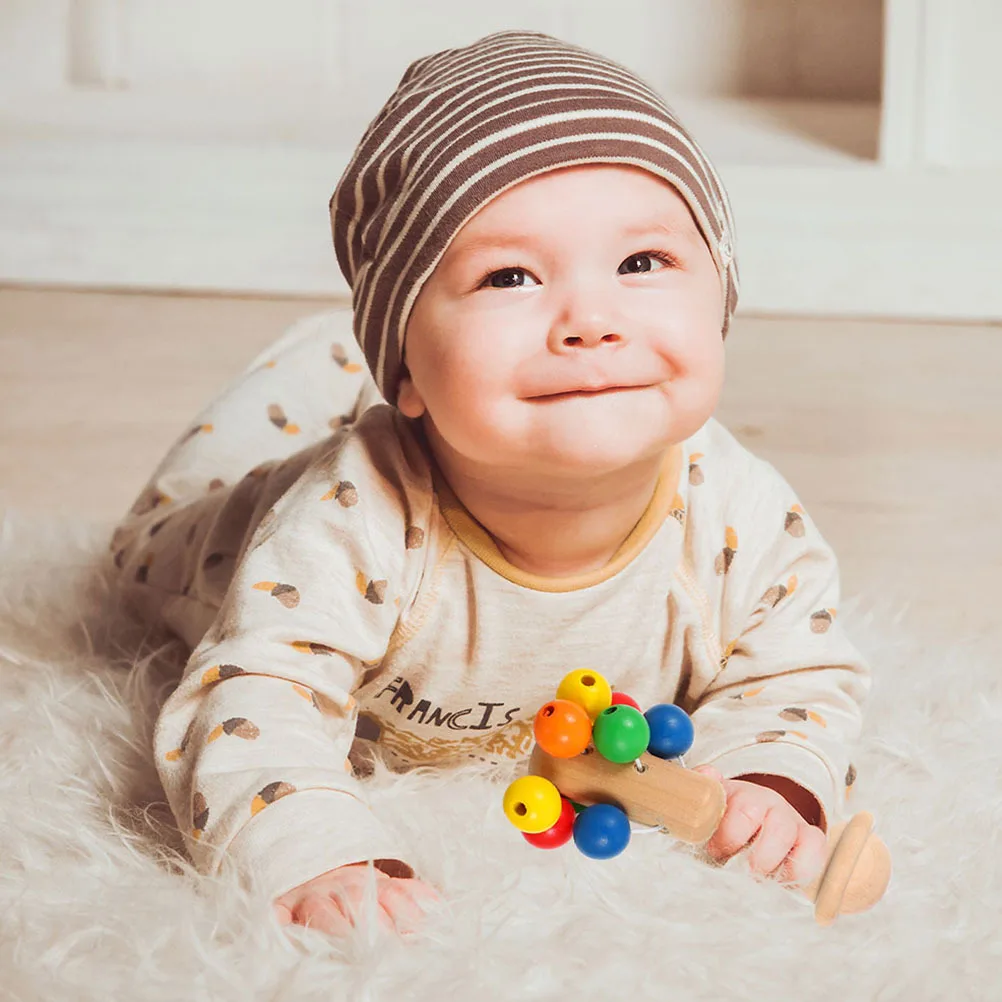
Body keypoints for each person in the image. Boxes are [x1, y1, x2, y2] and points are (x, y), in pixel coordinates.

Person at [108, 30, 871, 938]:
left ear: (722, 301)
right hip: (218, 542)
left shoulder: (737, 508)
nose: (590, 319)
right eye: (510, 276)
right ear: (410, 374)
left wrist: (770, 780)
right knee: (164, 528)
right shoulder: (349, 514)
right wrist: (319, 850)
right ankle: (331, 359)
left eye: (641, 264)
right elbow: (252, 691)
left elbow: (800, 667)